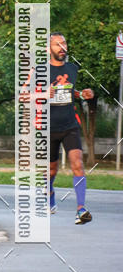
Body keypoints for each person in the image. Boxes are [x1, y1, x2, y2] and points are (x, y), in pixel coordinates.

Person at [49, 32, 94, 223]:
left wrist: (83, 94)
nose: (62, 47)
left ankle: (81, 209)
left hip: (70, 125)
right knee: (51, 170)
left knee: (77, 164)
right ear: (48, 49)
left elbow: (68, 92)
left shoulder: (72, 69)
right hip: (47, 126)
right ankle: (49, 196)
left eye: (64, 43)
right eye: (57, 44)